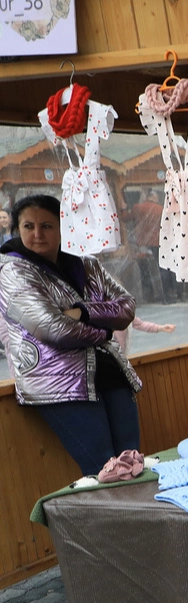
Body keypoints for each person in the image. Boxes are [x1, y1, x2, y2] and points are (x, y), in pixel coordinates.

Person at [0, 195, 143, 476]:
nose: (37, 234)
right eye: (29, 226)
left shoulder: (85, 263)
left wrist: (81, 312)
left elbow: (127, 307)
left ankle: (139, 521)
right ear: (17, 229)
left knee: (133, 463)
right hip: (59, 384)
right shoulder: (11, 270)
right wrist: (104, 329)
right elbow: (52, 328)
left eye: (47, 226)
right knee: (102, 470)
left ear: (62, 226)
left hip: (110, 373)